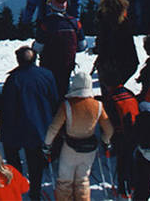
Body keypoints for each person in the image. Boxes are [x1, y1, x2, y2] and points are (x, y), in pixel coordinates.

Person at [0, 46, 57, 201]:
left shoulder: (14, 79)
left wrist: (4, 131)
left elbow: (6, 107)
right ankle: (35, 193)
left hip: (17, 128)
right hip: (40, 127)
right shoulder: (47, 75)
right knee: (35, 163)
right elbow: (54, 101)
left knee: (13, 160)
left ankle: (16, 188)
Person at [43, 70, 113, 201]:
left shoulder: (67, 105)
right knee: (83, 180)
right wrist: (106, 141)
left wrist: (47, 144)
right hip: (89, 149)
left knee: (65, 180)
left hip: (70, 148)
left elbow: (54, 128)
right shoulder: (98, 105)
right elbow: (108, 129)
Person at [37, 0, 83, 96]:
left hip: (48, 65)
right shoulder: (75, 23)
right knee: (63, 90)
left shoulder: (46, 24)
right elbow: (82, 46)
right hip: (67, 65)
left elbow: (38, 47)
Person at [94, 0, 138, 92]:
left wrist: (98, 51)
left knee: (108, 94)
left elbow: (104, 45)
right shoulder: (124, 22)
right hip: (128, 63)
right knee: (116, 92)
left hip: (109, 66)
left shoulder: (104, 22)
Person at [105, 84, 140, 199]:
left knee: (122, 162)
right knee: (131, 159)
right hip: (134, 131)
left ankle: (124, 191)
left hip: (121, 134)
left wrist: (108, 138)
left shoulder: (112, 97)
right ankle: (134, 184)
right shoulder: (129, 93)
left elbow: (110, 120)